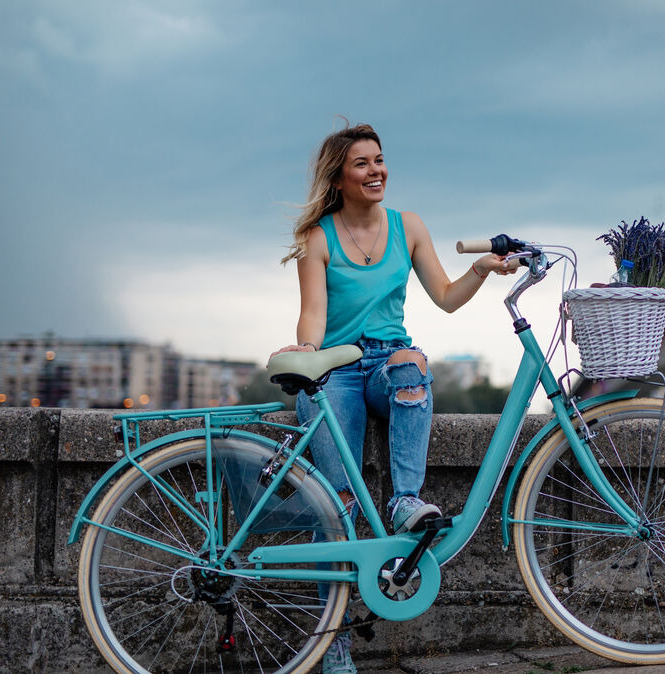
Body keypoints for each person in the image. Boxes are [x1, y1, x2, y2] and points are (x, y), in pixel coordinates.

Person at [271, 122, 514, 674]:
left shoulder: (410, 228)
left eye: (379, 160)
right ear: (338, 177)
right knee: (336, 506)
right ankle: (330, 647)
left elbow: (447, 298)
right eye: (362, 163)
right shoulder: (319, 237)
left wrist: (479, 268)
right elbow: (312, 315)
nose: (376, 170)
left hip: (386, 361)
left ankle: (406, 500)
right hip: (337, 365)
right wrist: (306, 351)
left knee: (412, 367)